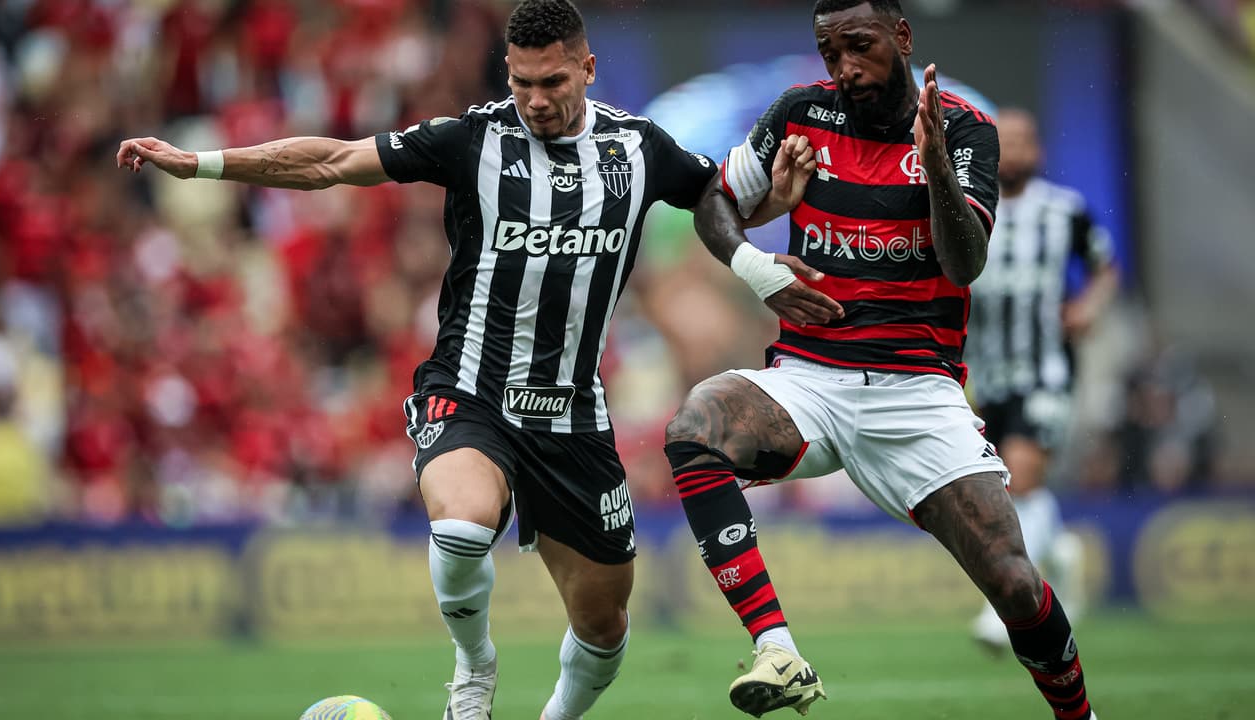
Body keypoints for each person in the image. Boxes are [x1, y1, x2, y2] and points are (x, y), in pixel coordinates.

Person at [116, 2, 825, 718]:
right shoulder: (471, 139)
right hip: (470, 390)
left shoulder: (638, 149)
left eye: (552, 83)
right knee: (460, 526)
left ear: (587, 68)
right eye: (522, 84)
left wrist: (771, 207)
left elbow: (716, 200)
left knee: (605, 628)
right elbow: (332, 161)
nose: (537, 101)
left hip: (573, 413)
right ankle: (473, 666)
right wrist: (202, 164)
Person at [663, 2, 1098, 719]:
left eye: (859, 47)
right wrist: (756, 266)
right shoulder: (801, 114)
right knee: (696, 426)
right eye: (831, 53)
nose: (845, 68)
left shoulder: (961, 129)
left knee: (1016, 587)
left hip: (917, 391)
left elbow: (965, 263)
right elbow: (716, 200)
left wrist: (935, 174)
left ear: (902, 37)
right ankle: (778, 649)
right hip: (808, 381)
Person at [962, 108, 1118, 655]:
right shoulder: (970, 210)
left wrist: (1090, 306)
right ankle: (1062, 555)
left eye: (1026, 139)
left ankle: (997, 608)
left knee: (1022, 475)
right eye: (1006, 141)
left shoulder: (1064, 211)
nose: (1017, 149)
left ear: (1039, 151)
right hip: (984, 376)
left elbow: (1105, 266)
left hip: (1045, 369)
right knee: (1000, 491)